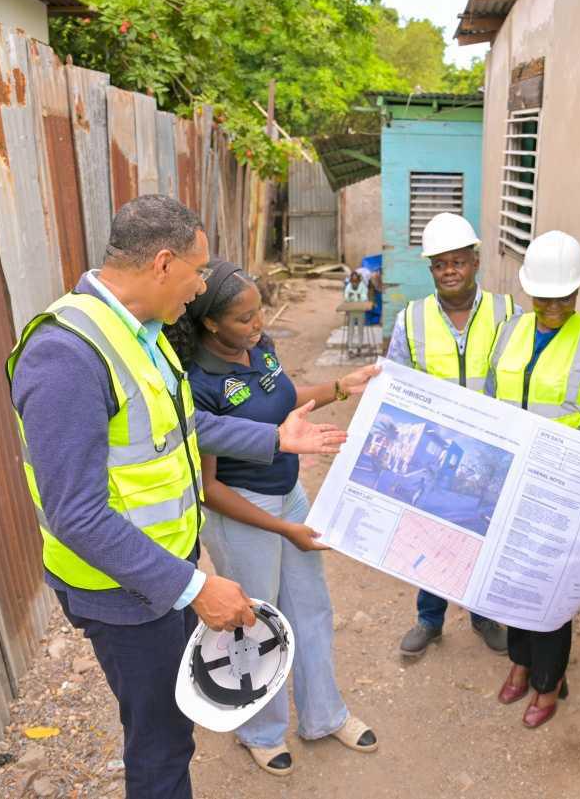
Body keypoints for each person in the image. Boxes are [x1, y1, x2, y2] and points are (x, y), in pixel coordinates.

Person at [6, 195, 346, 799]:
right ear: (163, 264)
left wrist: (274, 436)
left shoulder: (146, 333)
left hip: (157, 570)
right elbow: (76, 515)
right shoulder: (66, 356)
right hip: (120, 591)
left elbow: (186, 428)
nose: (200, 287)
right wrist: (194, 589)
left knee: (172, 731)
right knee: (161, 746)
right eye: (197, 270)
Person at [163, 261, 380, 776]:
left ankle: (325, 716)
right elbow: (209, 488)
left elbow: (283, 400)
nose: (258, 324)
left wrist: (340, 388)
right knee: (253, 621)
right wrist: (283, 529)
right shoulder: (198, 383)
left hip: (287, 493)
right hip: (240, 508)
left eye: (259, 311)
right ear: (211, 324)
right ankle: (259, 731)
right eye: (244, 318)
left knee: (311, 607)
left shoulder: (261, 350)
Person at [486, 230, 580, 728]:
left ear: (579, 289)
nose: (553, 305)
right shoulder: (510, 330)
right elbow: (494, 398)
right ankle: (520, 659)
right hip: (507, 478)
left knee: (550, 585)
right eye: (543, 296)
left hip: (559, 483)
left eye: (563, 296)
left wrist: (549, 471)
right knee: (512, 577)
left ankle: (549, 681)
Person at [388, 211, 517, 657]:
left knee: (483, 531)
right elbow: (396, 385)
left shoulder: (506, 312)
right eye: (440, 264)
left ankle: (483, 615)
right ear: (431, 270)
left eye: (457, 262)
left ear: (475, 262)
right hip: (436, 449)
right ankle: (430, 619)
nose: (449, 272)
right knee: (430, 531)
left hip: (491, 450)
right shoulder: (411, 319)